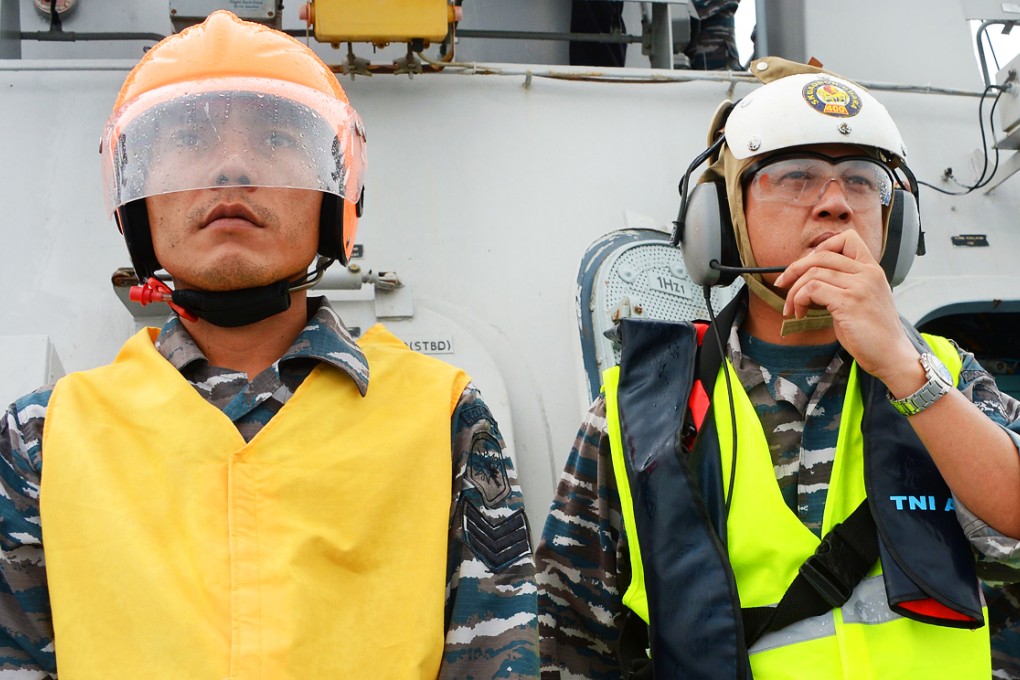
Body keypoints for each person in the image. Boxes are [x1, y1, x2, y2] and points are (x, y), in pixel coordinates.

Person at [0, 11, 537, 678]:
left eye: (279, 136)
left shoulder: (447, 421)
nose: (231, 167)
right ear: (135, 198)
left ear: (333, 192)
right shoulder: (41, 439)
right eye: (189, 138)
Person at [535, 57, 1020, 678]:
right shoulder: (642, 407)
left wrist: (905, 369)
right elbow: (570, 635)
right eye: (795, 177)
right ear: (721, 219)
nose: (836, 205)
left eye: (863, 181)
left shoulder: (945, 373)